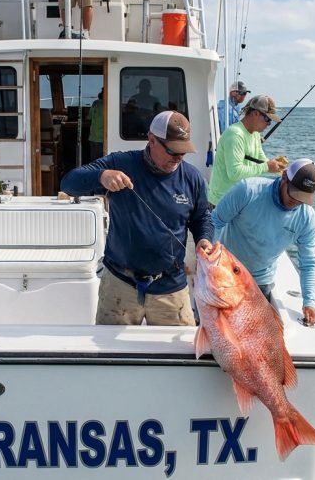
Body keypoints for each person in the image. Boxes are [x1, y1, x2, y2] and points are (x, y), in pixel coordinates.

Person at [61, 111, 213, 326]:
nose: (178, 158)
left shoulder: (192, 177)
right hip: (120, 284)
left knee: (178, 355)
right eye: (172, 151)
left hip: (170, 287)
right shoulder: (121, 163)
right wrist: (101, 176)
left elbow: (201, 218)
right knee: (110, 355)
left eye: (183, 152)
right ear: (152, 140)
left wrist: (204, 239)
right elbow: (68, 184)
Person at [211, 158, 315, 326]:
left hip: (261, 282)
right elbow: (216, 221)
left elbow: (309, 263)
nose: (296, 202)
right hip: (227, 275)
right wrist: (213, 264)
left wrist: (309, 301)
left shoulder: (307, 218)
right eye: (294, 193)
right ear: (284, 176)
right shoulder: (248, 190)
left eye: (303, 198)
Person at [207, 94, 286, 207]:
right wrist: (267, 167)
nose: (269, 124)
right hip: (222, 202)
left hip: (240, 200)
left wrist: (280, 168)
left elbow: (261, 160)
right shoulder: (235, 135)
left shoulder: (255, 134)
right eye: (268, 119)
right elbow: (234, 173)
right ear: (256, 113)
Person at [88, 90, 104, 161]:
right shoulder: (110, 104)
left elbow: (89, 117)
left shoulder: (95, 103)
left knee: (94, 161)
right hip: (102, 138)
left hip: (93, 137)